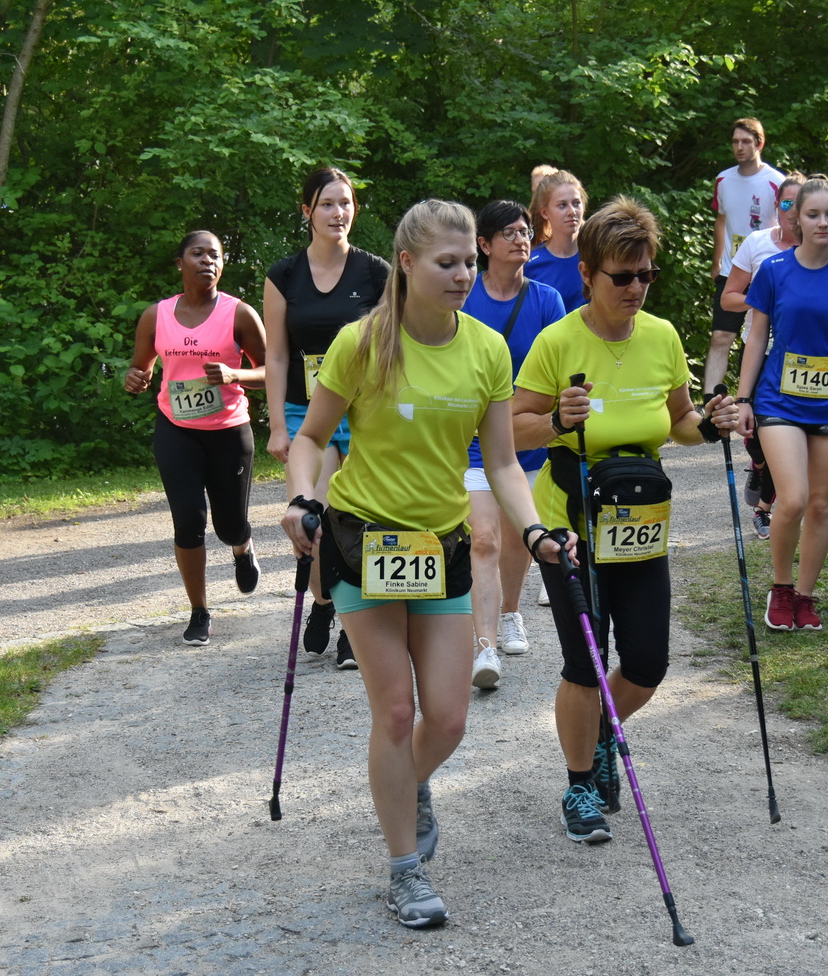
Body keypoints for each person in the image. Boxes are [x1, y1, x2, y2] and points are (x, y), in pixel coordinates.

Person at [280, 199, 569, 930]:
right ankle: (404, 870)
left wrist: (531, 528)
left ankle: (409, 784)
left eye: (471, 260)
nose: (465, 274)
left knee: (446, 719)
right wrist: (300, 497)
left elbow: (503, 462)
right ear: (407, 264)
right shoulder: (362, 342)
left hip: (438, 548)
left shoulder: (487, 350)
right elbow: (311, 438)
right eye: (449, 262)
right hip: (363, 543)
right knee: (397, 710)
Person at [512, 196, 740, 842]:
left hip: (638, 523)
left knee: (646, 662)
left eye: (646, 275)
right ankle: (580, 781)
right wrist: (558, 419)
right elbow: (513, 424)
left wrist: (711, 424)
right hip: (571, 528)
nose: (636, 288)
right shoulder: (558, 342)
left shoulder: (663, 337)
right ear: (588, 273)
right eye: (622, 276)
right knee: (585, 663)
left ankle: (605, 731)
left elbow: (678, 421)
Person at [736, 176, 828, 631]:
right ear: (795, 217)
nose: (823, 222)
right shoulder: (774, 271)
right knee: (793, 499)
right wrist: (743, 398)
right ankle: (780, 587)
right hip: (778, 399)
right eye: (813, 214)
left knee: (821, 505)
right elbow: (757, 337)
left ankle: (805, 595)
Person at [264, 167, 392, 671]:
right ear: (306, 213)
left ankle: (350, 620)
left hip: (361, 413)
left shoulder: (376, 273)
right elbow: (276, 355)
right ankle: (323, 602)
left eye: (345, 203)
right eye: (326, 204)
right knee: (313, 521)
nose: (338, 213)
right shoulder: (283, 276)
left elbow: (389, 351)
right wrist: (277, 424)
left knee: (357, 519)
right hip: (304, 412)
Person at [124, 230, 267, 646]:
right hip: (177, 429)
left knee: (229, 523)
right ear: (180, 263)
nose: (208, 261)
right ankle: (199, 610)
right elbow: (141, 369)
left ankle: (242, 547)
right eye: (198, 253)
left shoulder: (239, 314)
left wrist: (235, 374)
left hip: (228, 431)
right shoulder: (156, 316)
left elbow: (271, 371)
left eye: (215, 255)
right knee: (188, 519)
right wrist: (136, 378)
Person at [462, 200, 567, 688]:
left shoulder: (547, 300)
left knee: (517, 538)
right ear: (484, 245)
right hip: (472, 444)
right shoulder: (463, 298)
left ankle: (510, 613)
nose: (522, 239)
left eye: (526, 231)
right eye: (509, 233)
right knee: (483, 537)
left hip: (526, 442)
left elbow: (555, 372)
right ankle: (484, 648)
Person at [721, 172, 809, 540]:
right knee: (756, 435)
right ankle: (757, 465)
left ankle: (764, 510)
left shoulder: (821, 249)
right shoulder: (758, 244)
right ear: (777, 207)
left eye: (797, 204)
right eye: (785, 203)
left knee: (782, 430)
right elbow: (728, 297)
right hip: (760, 348)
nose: (791, 211)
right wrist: (765, 301)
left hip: (799, 357)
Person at [706, 118, 785, 394]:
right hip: (732, 270)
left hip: (767, 271)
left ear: (759, 144)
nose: (739, 147)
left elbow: (787, 222)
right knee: (720, 336)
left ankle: (756, 395)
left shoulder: (777, 181)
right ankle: (710, 402)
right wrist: (717, 262)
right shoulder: (723, 179)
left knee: (762, 338)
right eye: (735, 142)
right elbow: (721, 220)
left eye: (745, 142)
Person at [526, 170, 589, 311]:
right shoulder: (530, 264)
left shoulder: (597, 255)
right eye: (562, 205)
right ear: (545, 212)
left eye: (576, 203)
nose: (572, 211)